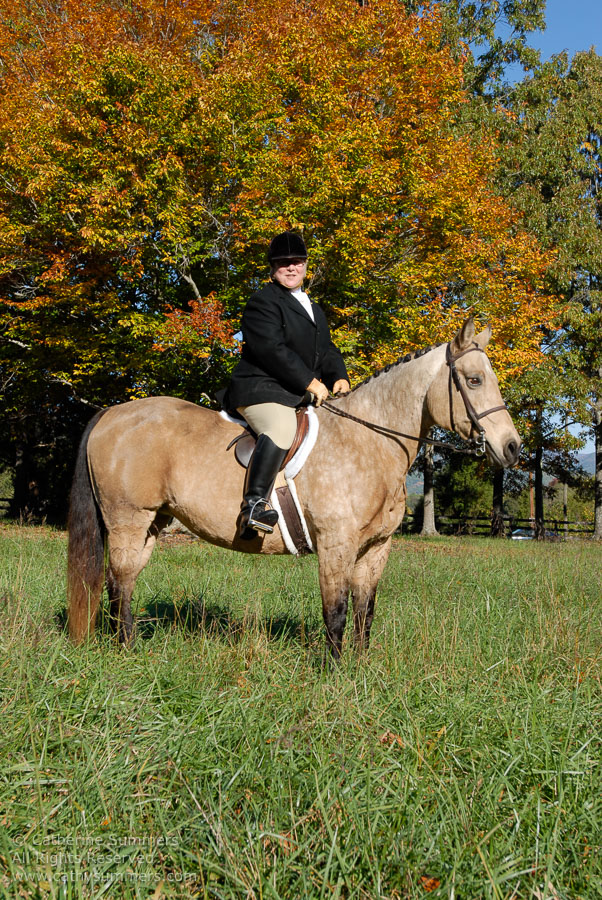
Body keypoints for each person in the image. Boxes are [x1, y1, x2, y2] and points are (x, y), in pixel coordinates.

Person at [223, 231, 350, 539]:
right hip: (261, 389)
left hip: (295, 393)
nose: (291, 268)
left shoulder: (312, 307)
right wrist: (311, 382)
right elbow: (271, 349)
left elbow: (327, 350)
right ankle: (252, 507)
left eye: (297, 262)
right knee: (281, 428)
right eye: (283, 263)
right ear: (272, 268)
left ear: (306, 266)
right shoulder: (262, 301)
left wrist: (339, 378)